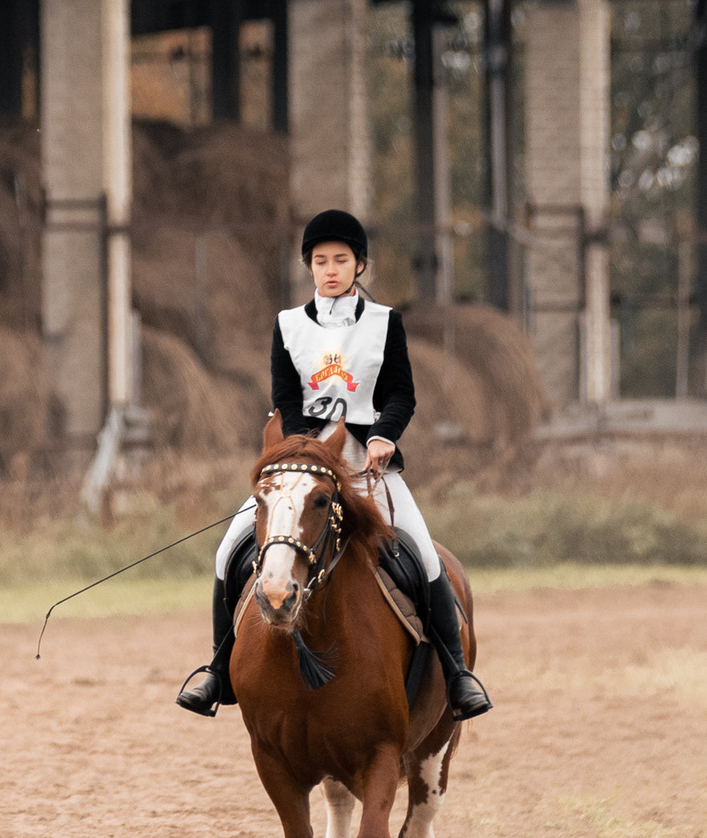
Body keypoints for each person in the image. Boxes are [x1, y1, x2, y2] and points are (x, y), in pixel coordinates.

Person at [175, 208, 492, 722]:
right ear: (309, 267)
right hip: (304, 465)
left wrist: (385, 434)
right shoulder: (288, 326)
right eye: (320, 260)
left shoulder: (386, 323)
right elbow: (284, 396)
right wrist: (307, 449)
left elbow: (401, 395)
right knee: (229, 547)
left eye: (340, 260)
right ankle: (216, 669)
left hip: (369, 466)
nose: (330, 269)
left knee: (425, 557)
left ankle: (457, 676)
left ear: (359, 265)